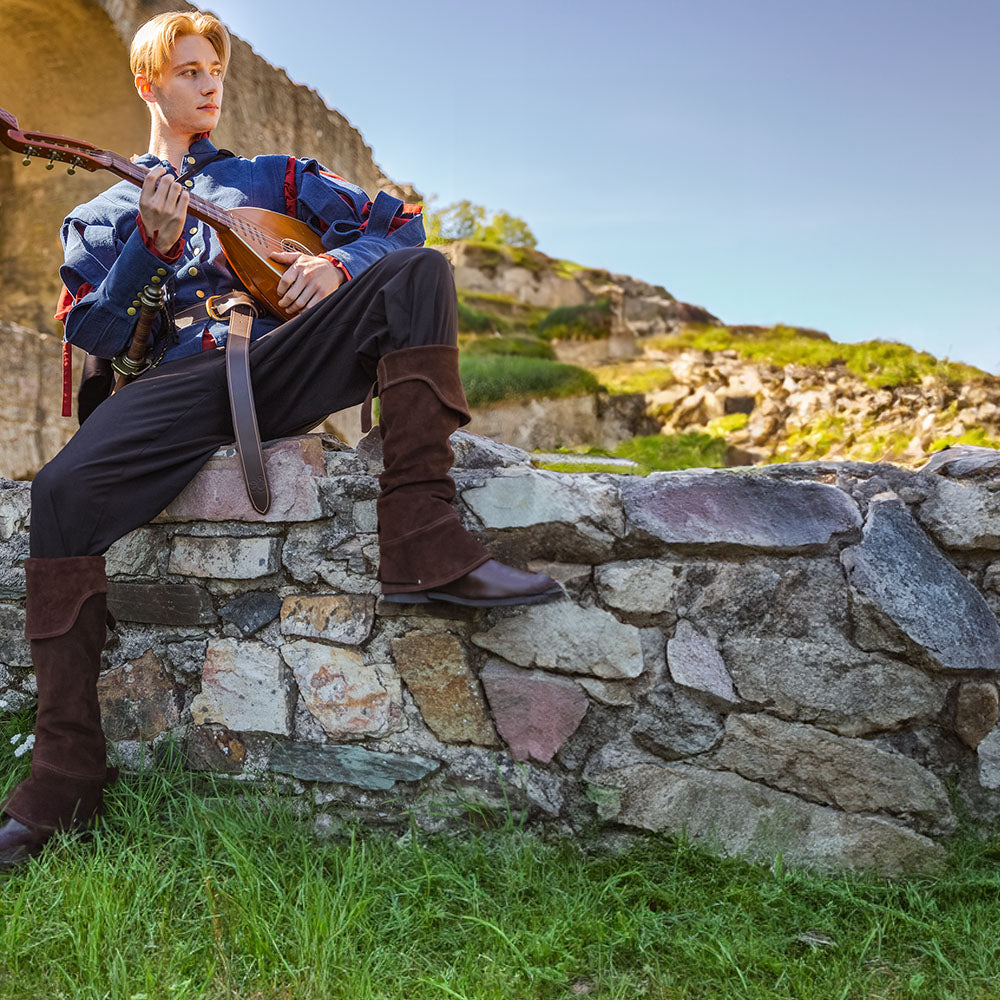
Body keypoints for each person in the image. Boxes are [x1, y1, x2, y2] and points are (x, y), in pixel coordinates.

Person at [0, 10, 560, 868]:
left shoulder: (276, 178)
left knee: (420, 273)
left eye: (215, 71)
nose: (209, 86)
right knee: (58, 494)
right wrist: (147, 251)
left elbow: (400, 223)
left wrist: (336, 265)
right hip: (174, 381)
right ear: (149, 84)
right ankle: (65, 776)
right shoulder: (99, 212)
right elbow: (99, 334)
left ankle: (422, 538)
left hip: (281, 359)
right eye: (189, 71)